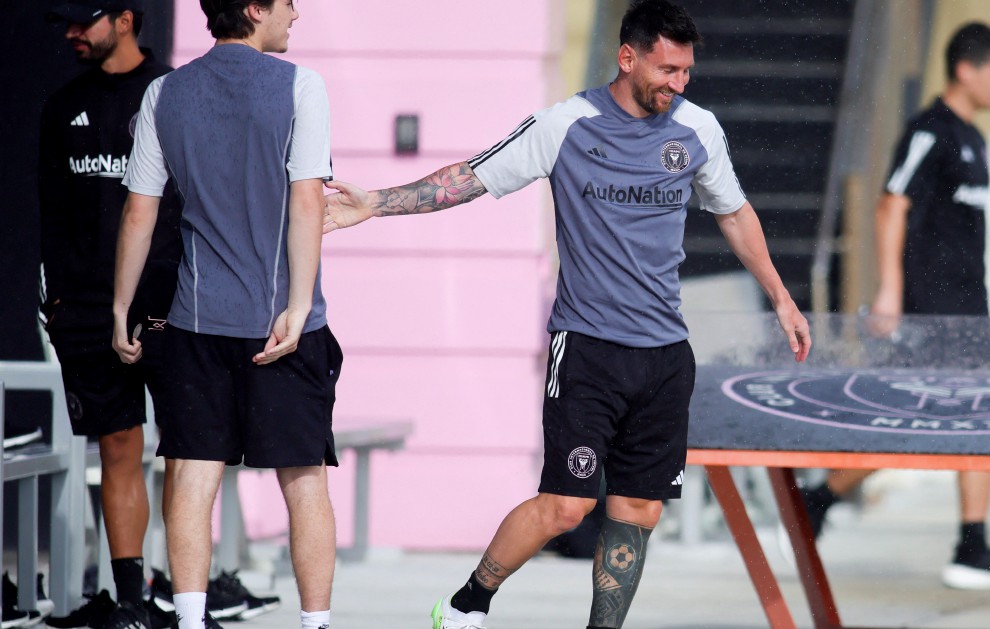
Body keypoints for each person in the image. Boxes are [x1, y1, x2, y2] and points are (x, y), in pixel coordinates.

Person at [323, 2, 811, 626]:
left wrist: (782, 299)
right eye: (667, 69)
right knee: (566, 506)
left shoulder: (698, 131)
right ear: (627, 57)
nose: (678, 84)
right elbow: (468, 178)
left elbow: (735, 215)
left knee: (639, 511)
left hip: (665, 357)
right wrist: (378, 204)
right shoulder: (567, 124)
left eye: (687, 71)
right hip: (587, 349)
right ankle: (469, 602)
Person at [113, 1, 339, 628]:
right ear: (253, 9)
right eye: (286, 1)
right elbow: (306, 201)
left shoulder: (165, 92)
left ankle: (188, 620)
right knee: (304, 482)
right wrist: (296, 307)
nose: (296, 11)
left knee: (191, 477)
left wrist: (121, 307)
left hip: (194, 322)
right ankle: (315, 624)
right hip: (283, 327)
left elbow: (140, 210)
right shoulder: (301, 86)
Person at [802, 22, 990, 592]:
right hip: (929, 307)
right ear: (966, 69)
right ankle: (820, 497)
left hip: (969, 307)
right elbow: (892, 205)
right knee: (909, 422)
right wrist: (890, 292)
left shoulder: (973, 137)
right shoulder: (928, 131)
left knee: (978, 423)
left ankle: (971, 544)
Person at [38, 2, 180, 627]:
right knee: (118, 447)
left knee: (187, 453)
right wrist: (62, 301)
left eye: (83, 19)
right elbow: (50, 217)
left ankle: (186, 594)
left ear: (125, 18)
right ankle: (130, 605)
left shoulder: (174, 95)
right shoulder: (62, 106)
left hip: (172, 308)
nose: (72, 32)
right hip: (90, 312)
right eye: (64, 21)